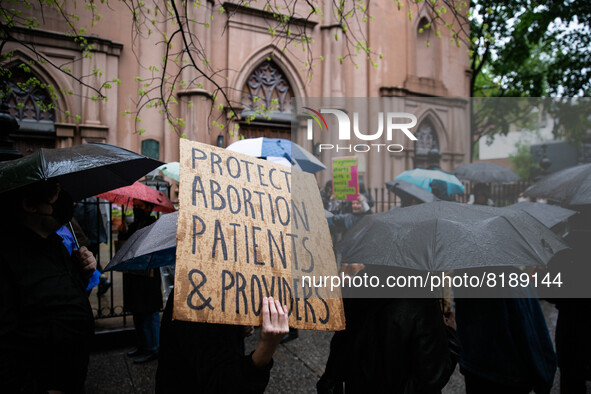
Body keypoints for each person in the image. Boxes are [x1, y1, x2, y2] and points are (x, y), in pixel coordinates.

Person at [0, 180, 97, 393]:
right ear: (30, 205)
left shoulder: (55, 244)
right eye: (55, 194)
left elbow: (60, 295)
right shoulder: (8, 258)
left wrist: (83, 271)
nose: (64, 201)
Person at [317, 264, 459, 393]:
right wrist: (452, 335)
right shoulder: (423, 303)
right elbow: (431, 377)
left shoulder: (361, 282)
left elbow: (342, 345)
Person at [155, 293, 289, 393]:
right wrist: (267, 347)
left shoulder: (205, 287)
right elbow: (223, 386)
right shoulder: (201, 300)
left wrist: (235, 330)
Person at [454, 269, 557, 394]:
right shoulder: (514, 282)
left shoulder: (463, 276)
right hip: (509, 376)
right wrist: (545, 377)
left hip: (475, 369)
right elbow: (533, 337)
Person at [118, 198, 162, 364]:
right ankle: (143, 344)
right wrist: (122, 232)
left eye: (140, 206)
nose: (136, 209)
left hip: (149, 277)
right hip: (135, 276)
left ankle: (153, 347)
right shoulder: (133, 225)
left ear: (149, 207)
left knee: (150, 313)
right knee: (138, 312)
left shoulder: (154, 224)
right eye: (134, 206)